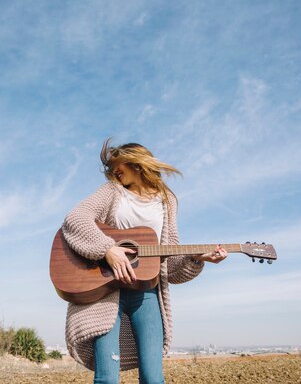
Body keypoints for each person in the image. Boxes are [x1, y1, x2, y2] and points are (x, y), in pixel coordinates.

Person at [61, 139, 227, 384]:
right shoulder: (111, 192)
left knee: (153, 378)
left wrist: (195, 258)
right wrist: (108, 250)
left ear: (136, 162)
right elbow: (76, 218)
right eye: (109, 168)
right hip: (105, 293)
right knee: (107, 378)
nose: (112, 171)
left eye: (117, 164)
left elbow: (166, 263)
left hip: (147, 294)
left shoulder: (166, 201)